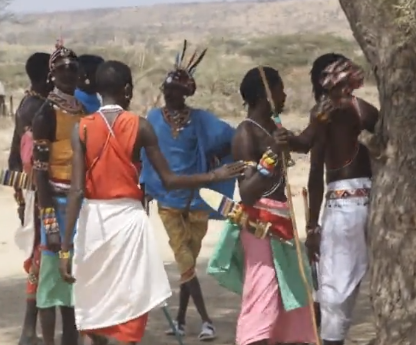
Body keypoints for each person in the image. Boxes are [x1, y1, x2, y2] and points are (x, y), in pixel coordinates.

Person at [57, 60, 246, 345]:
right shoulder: (141, 126)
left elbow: (76, 192)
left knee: (94, 293)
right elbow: (169, 179)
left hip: (93, 221)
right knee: (132, 297)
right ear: (128, 90)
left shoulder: (81, 129)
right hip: (129, 222)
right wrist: (213, 175)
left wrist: (64, 248)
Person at [274, 53, 378, 345]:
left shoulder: (325, 111)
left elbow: (306, 148)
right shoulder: (362, 109)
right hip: (375, 204)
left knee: (334, 296)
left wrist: (312, 227)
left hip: (343, 209)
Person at [207, 66, 316, 345]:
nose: (284, 94)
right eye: (280, 89)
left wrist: (321, 116)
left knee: (294, 295)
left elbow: (304, 143)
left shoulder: (273, 129)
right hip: (261, 227)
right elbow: (246, 193)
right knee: (263, 296)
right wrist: (273, 156)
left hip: (283, 224)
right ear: (264, 95)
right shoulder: (246, 133)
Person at [139, 40, 236, 341]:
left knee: (187, 265)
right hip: (168, 201)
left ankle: (180, 320)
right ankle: (207, 321)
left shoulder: (201, 119)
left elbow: (230, 137)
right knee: (184, 260)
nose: (171, 95)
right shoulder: (153, 119)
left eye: (177, 91)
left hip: (197, 201)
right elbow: (142, 154)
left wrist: (217, 162)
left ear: (187, 93)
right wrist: (146, 188)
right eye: (168, 90)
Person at [32, 41, 85, 345]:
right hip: (56, 203)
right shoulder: (45, 114)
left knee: (74, 280)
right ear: (52, 74)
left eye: (73, 69)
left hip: (80, 203)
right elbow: (40, 174)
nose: (68, 73)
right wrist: (49, 222)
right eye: (62, 69)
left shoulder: (84, 111)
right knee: (52, 280)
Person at [6, 51, 53, 345]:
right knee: (40, 256)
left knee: (38, 255)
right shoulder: (38, 109)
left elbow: (13, 156)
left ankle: (30, 330)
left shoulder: (28, 103)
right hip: (40, 191)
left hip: (30, 190)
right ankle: (28, 330)